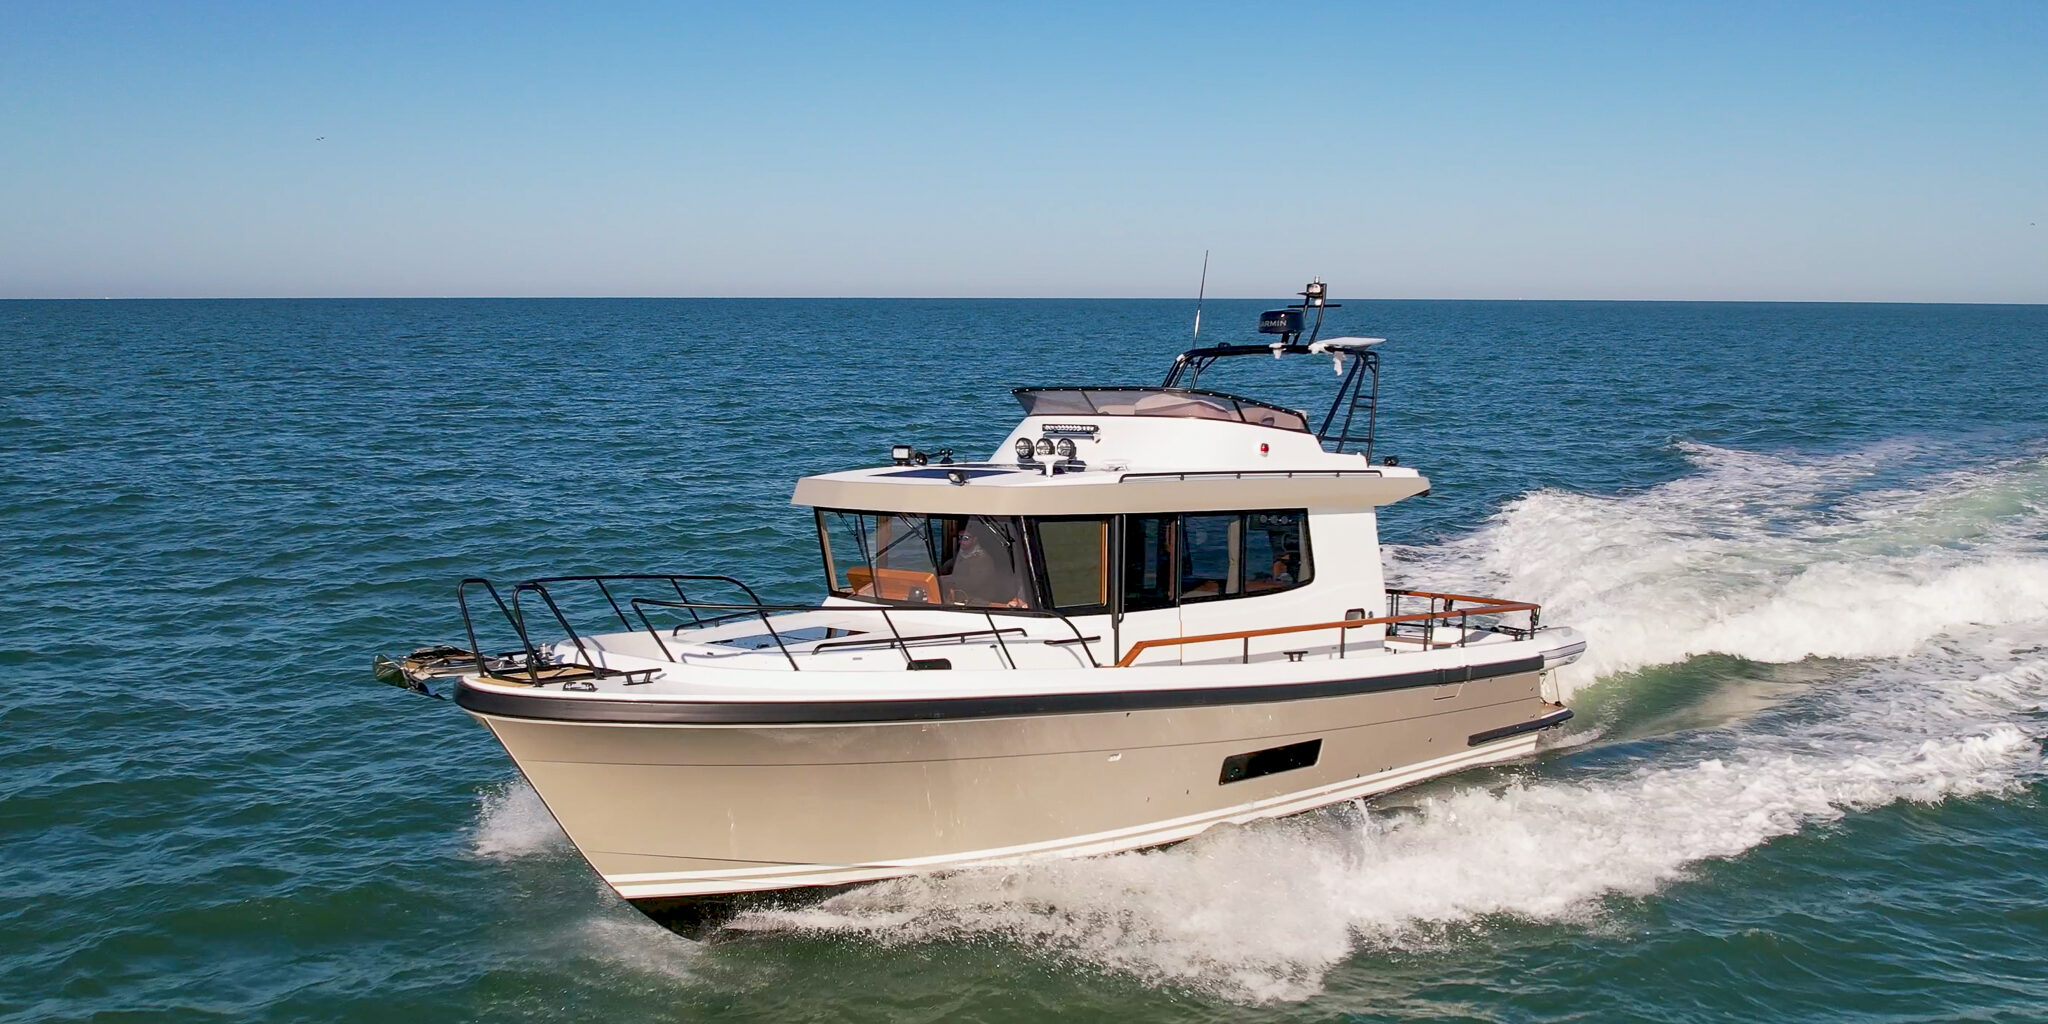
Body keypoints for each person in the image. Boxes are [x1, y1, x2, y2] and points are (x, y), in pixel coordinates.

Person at [940, 521, 1029, 607]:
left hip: (981, 600)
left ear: (975, 539)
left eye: (965, 538)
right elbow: (947, 566)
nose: (961, 541)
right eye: (960, 538)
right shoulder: (962, 555)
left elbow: (973, 583)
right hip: (963, 597)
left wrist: (947, 580)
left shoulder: (982, 559)